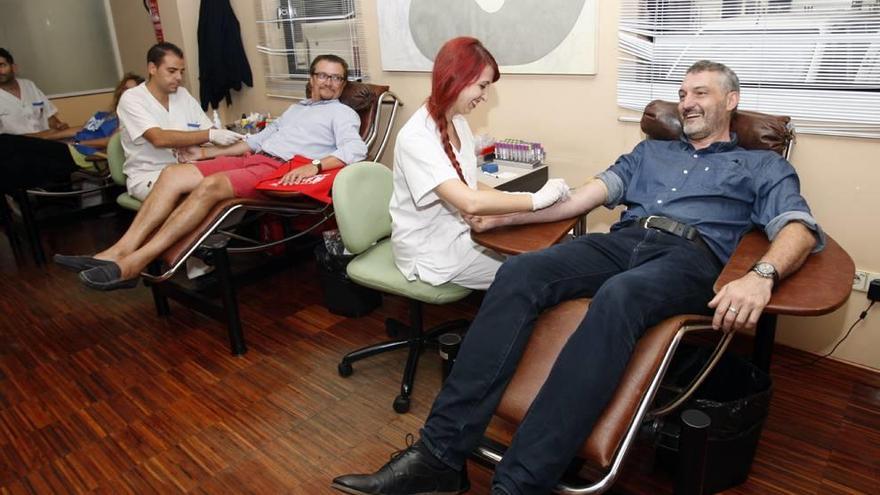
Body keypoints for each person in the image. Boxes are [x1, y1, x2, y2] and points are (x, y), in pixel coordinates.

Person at [331, 60, 825, 495]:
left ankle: (521, 482)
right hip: (625, 240)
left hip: (688, 258)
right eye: (681, 93)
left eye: (701, 93)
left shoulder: (760, 165)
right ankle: (438, 456)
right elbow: (580, 198)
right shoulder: (650, 153)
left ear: (731, 101)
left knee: (619, 296)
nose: (687, 102)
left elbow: (798, 228)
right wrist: (505, 218)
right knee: (522, 271)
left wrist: (761, 274)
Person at [54, 53, 367, 291]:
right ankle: (116, 251)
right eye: (322, 75)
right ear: (311, 78)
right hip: (255, 158)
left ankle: (134, 264)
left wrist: (313, 165)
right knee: (175, 173)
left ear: (343, 85)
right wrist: (205, 152)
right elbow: (254, 142)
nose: (328, 82)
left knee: (212, 186)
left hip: (280, 169)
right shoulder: (297, 108)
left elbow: (355, 150)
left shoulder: (342, 113)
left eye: (336, 78)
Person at [390, 37, 569, 290]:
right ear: (457, 79)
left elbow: (471, 185)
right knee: (532, 278)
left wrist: (520, 201)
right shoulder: (416, 137)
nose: (485, 97)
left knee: (546, 256)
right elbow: (470, 200)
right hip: (431, 250)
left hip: (462, 233)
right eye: (482, 86)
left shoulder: (459, 123)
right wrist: (536, 199)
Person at [114, 42, 244, 201]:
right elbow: (158, 138)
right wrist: (209, 135)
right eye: (172, 71)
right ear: (152, 68)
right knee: (202, 196)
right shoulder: (132, 99)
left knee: (232, 185)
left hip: (189, 169)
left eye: (181, 72)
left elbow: (209, 132)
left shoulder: (182, 95)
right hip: (150, 175)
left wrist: (238, 145)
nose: (179, 78)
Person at [0, 49, 141, 192]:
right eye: (124, 88)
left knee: (8, 145)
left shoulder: (129, 117)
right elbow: (82, 129)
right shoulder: (105, 115)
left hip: (84, 153)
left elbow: (112, 141)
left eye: (132, 90)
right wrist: (51, 136)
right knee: (10, 150)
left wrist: (78, 143)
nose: (126, 93)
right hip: (70, 147)